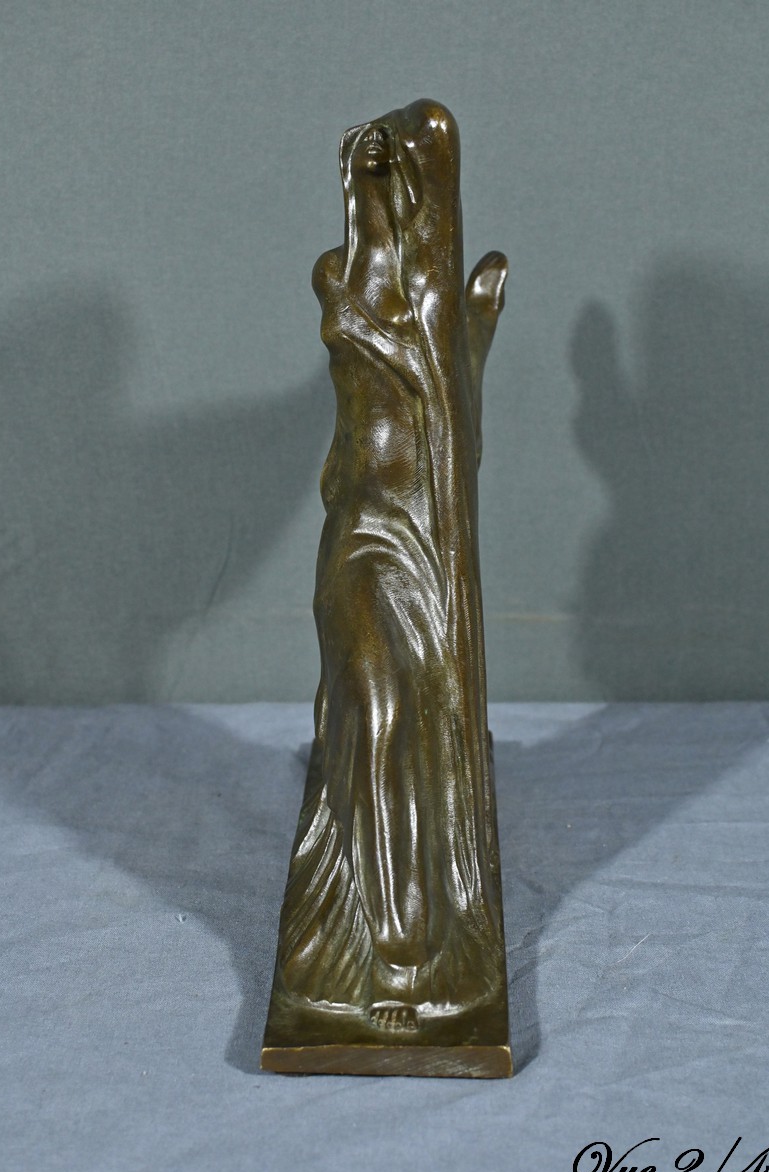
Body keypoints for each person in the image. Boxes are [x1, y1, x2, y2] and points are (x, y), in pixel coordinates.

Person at [276, 100, 507, 1032]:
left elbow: (447, 412)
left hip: (419, 537)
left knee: (415, 716)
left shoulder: (434, 301)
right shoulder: (335, 274)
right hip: (358, 534)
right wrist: (358, 184)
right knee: (376, 713)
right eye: (373, 167)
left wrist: (466, 336)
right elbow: (359, 313)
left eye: (402, 170)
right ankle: (397, 940)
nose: (383, 179)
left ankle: (413, 937)